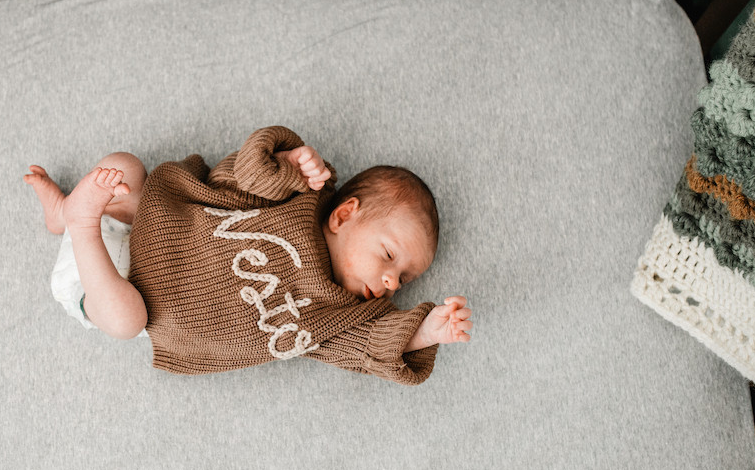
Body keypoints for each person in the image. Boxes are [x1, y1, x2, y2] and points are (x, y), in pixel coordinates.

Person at [25, 125, 472, 385]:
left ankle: (78, 223)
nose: (392, 281)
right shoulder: (300, 197)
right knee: (125, 166)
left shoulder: (336, 316)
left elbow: (365, 346)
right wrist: (287, 165)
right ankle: (66, 214)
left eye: (405, 278)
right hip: (143, 221)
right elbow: (231, 178)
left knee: (125, 321)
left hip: (115, 286)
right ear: (343, 215)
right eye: (389, 255)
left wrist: (422, 332)